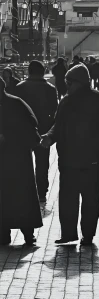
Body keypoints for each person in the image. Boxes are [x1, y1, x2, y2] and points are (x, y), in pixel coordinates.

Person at [41, 63, 99, 247]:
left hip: (88, 159)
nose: (66, 85)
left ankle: (87, 234)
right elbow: (57, 125)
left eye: (69, 82)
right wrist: (50, 138)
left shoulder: (98, 100)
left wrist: (94, 144)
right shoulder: (67, 101)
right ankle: (69, 233)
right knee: (69, 198)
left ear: (80, 82)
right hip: (69, 159)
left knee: (89, 198)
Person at [0, 77, 43, 247]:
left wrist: (7, 136)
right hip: (18, 157)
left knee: (7, 194)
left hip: (13, 155)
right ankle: (27, 233)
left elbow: (30, 125)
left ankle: (5, 233)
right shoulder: (17, 103)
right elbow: (32, 123)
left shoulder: (15, 102)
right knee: (22, 193)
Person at [15, 60, 58, 205]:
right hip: (44, 131)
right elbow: (55, 112)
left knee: (23, 162)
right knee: (42, 163)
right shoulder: (51, 89)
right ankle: (41, 192)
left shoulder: (20, 87)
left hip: (23, 132)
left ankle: (25, 191)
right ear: (42, 71)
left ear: (29, 71)